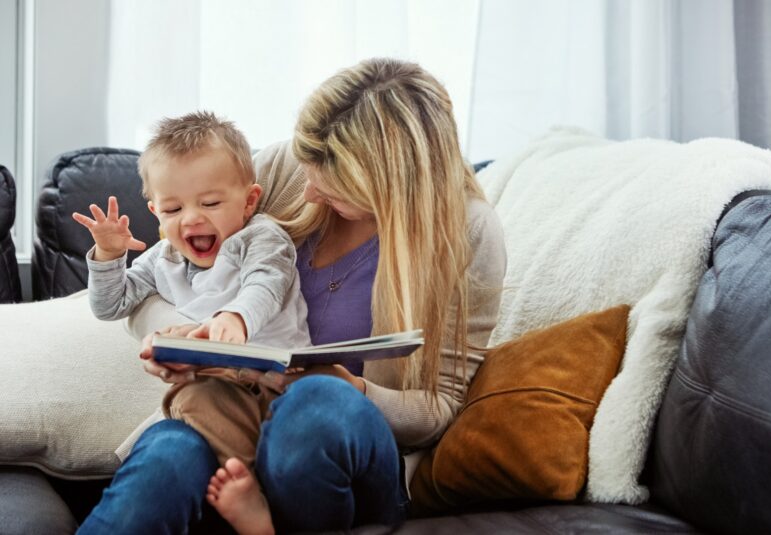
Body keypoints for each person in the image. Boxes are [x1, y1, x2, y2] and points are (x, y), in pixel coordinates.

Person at [76, 58, 507, 535]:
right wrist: (184, 341)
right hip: (236, 408)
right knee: (167, 455)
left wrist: (354, 387)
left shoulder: (465, 231)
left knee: (314, 401)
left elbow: (441, 406)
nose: (311, 193)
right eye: (309, 170)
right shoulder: (288, 166)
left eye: (335, 186)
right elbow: (166, 268)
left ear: (389, 183)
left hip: (345, 440)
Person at [72, 111, 310, 469]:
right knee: (176, 423)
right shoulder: (161, 258)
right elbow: (110, 305)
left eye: (210, 203)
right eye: (173, 208)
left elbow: (266, 283)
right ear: (155, 212)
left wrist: (236, 318)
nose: (192, 218)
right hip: (215, 387)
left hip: (282, 385)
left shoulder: (261, 237)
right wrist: (109, 254)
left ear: (248, 201)